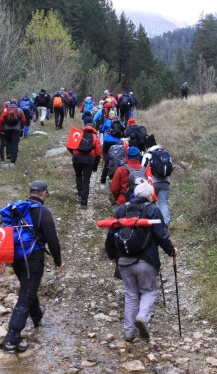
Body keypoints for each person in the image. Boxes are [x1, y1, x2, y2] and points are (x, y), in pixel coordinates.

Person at [104, 182, 178, 342]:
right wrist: (171, 251)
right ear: (150, 196)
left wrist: (112, 256)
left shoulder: (121, 209)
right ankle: (143, 317)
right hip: (146, 260)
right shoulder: (152, 209)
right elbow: (161, 235)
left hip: (123, 259)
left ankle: (129, 332)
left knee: (131, 294)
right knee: (149, 291)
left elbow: (110, 234)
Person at [0, 181, 63, 353]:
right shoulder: (43, 212)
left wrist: (2, 260)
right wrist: (58, 262)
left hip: (15, 258)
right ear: (43, 194)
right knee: (26, 295)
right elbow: (52, 240)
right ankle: (11, 339)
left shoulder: (15, 210)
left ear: (30, 192)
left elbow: (4, 235)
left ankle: (36, 317)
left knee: (28, 288)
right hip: (33, 259)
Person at [69, 123, 102, 207]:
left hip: (77, 159)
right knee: (86, 180)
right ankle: (84, 202)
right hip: (89, 160)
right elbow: (98, 153)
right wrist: (95, 165)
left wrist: (73, 154)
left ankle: (80, 193)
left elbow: (68, 145)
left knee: (78, 175)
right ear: (93, 128)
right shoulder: (95, 137)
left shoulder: (78, 134)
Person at [142, 144, 172, 226]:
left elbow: (142, 169)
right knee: (163, 203)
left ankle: (152, 223)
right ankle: (165, 223)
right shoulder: (166, 155)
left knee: (151, 203)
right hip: (165, 182)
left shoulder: (148, 155)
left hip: (152, 183)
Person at [0, 99, 26, 167]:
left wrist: (2, 129)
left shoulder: (5, 110)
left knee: (8, 142)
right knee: (15, 144)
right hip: (16, 129)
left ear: (10, 103)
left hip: (7, 129)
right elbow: (23, 120)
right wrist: (21, 127)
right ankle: (13, 159)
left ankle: (8, 154)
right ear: (16, 103)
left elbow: (1, 120)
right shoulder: (19, 110)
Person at [99, 110, 123, 188]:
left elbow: (101, 130)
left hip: (108, 141)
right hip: (117, 142)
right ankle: (115, 171)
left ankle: (108, 168)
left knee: (106, 156)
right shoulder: (118, 122)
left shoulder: (107, 121)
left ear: (109, 115)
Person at [0, 100, 10, 165]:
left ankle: (2, 158)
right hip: (9, 130)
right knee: (8, 142)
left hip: (2, 131)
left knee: (2, 144)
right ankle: (8, 154)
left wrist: (1, 131)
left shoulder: (2, 112)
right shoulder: (11, 110)